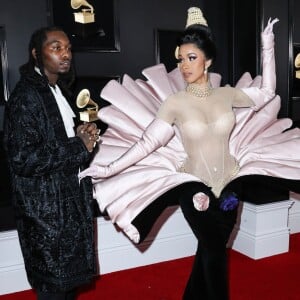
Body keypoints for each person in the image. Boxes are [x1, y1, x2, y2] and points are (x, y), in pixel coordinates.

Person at [79, 7, 300, 300]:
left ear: (207, 61)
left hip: (231, 183)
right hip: (193, 185)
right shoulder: (174, 103)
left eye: (191, 58)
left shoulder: (227, 95)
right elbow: (148, 143)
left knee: (213, 248)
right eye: (180, 59)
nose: (184, 65)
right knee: (214, 251)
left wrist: (268, 46)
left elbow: (268, 92)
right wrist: (109, 170)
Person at [4, 26, 100, 300]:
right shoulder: (26, 97)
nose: (65, 53)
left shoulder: (56, 91)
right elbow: (23, 159)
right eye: (55, 47)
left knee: (67, 289)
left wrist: (83, 137)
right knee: (53, 291)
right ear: (36, 53)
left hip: (67, 211)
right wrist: (77, 145)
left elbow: (58, 145)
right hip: (45, 217)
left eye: (68, 48)